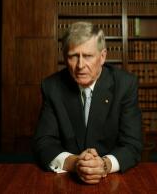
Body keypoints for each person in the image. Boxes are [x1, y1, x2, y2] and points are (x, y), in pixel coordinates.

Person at [32, 21, 143, 184]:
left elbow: (132, 144)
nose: (80, 65)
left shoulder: (125, 85)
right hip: (66, 180)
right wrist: (76, 163)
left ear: (103, 56)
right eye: (73, 56)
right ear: (64, 57)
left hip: (112, 180)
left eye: (88, 56)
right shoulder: (52, 86)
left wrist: (104, 165)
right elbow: (43, 143)